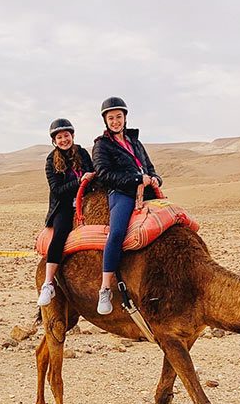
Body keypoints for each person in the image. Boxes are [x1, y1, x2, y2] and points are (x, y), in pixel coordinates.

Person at [90, 97, 161, 315]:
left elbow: (148, 166)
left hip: (147, 193)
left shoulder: (135, 142)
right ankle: (105, 288)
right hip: (121, 193)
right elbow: (104, 174)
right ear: (105, 121)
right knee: (118, 232)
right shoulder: (101, 145)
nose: (115, 121)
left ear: (125, 118)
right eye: (111, 118)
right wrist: (135, 180)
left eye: (118, 117)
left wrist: (156, 178)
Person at [39, 118, 95, 306]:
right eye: (60, 137)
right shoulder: (50, 160)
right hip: (63, 205)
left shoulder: (82, 153)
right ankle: (48, 283)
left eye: (67, 135)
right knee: (61, 234)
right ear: (54, 141)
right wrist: (79, 182)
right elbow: (57, 190)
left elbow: (94, 174)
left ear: (72, 136)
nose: (64, 140)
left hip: (88, 201)